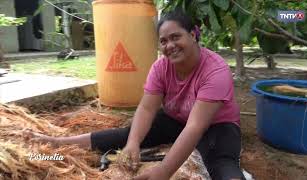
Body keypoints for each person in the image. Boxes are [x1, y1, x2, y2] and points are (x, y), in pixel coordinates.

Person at [24, 10, 245, 180]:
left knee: (221, 159)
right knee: (128, 134)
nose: (170, 46)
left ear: (194, 34)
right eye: (163, 41)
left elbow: (196, 127)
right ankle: (54, 143)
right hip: (176, 120)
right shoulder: (161, 67)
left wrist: (164, 170)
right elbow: (147, 108)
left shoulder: (215, 70)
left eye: (176, 37)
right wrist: (132, 143)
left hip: (216, 125)